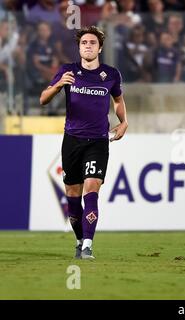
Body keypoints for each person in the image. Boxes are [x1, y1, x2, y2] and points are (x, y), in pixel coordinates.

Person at [39, 26, 129, 260]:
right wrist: (58, 85)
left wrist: (123, 122)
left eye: (92, 42)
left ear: (99, 48)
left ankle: (88, 244)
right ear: (79, 48)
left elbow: (118, 100)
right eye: (84, 43)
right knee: (72, 193)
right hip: (72, 140)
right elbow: (43, 99)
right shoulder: (68, 71)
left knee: (91, 188)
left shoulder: (110, 74)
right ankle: (79, 240)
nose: (87, 46)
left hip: (98, 141)